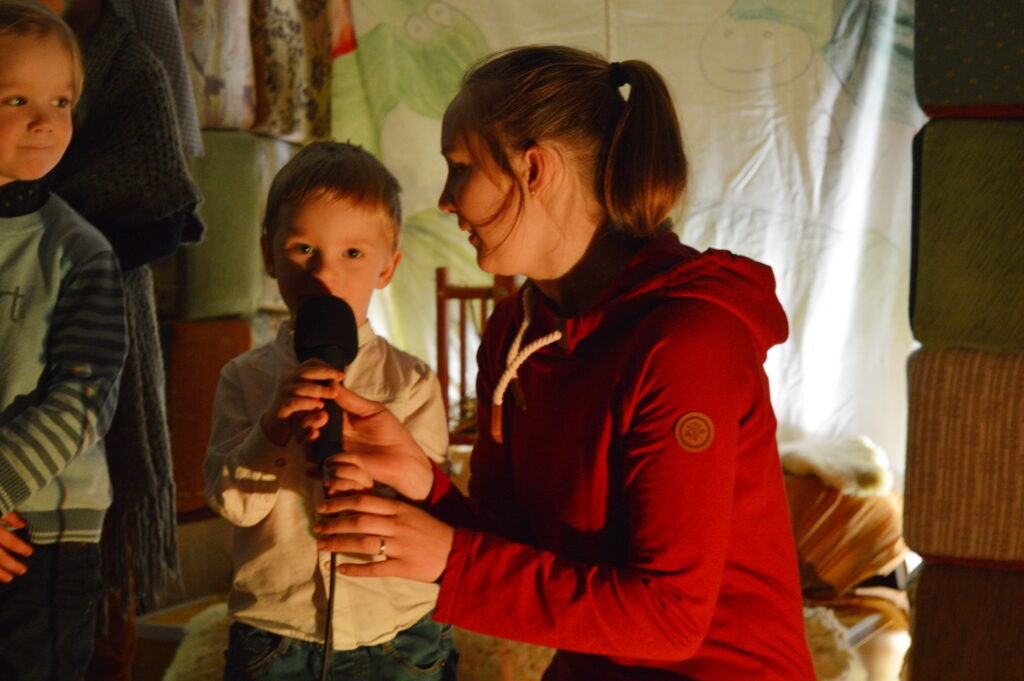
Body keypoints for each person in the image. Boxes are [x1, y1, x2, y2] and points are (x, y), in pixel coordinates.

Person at [311, 45, 817, 680]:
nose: (445, 199)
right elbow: (517, 549)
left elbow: (670, 619)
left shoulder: (688, 342)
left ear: (534, 168)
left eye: (460, 167)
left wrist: (449, 559)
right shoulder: (515, 332)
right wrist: (423, 483)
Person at [202, 141, 456, 681]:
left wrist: (375, 475)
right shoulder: (244, 379)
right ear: (269, 256)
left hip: (399, 632)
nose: (325, 273)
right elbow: (233, 505)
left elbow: (435, 502)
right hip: (279, 634)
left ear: (388, 266)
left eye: (353, 254)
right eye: (302, 249)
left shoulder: (412, 382)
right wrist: (271, 430)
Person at [0, 1, 127, 679]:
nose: (45, 121)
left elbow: (81, 403)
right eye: (15, 99)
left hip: (42, 541)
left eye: (61, 101)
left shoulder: (80, 251)